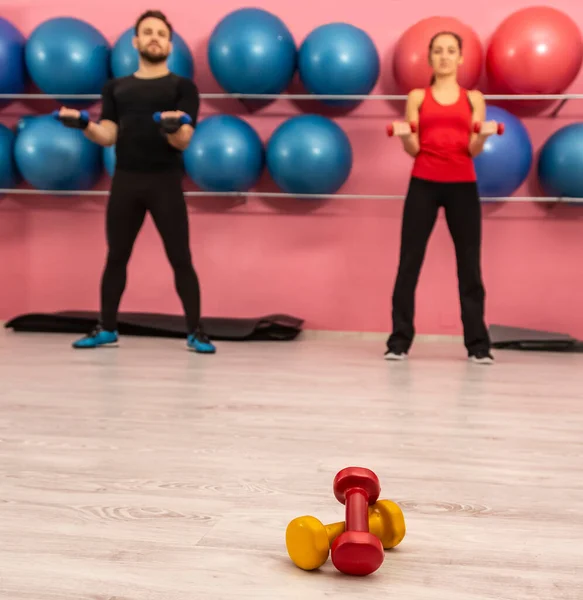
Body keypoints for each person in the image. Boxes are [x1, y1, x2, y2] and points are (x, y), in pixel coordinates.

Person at [56, 10, 215, 354]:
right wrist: (84, 124)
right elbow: (108, 134)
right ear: (136, 41)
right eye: (148, 32)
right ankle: (107, 329)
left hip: (165, 183)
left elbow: (185, 140)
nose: (155, 37)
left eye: (161, 33)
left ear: (170, 44)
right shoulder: (116, 87)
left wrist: (171, 129)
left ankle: (196, 332)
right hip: (126, 182)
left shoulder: (182, 87)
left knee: (180, 258)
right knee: (116, 257)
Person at [385, 31, 501, 365]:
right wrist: (405, 138)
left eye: (451, 51)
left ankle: (478, 346)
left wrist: (482, 137)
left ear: (461, 58)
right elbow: (415, 148)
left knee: (469, 267)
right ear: (430, 58)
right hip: (423, 181)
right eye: (438, 51)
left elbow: (472, 149)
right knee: (409, 263)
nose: (445, 57)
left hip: (462, 184)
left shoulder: (474, 98)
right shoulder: (417, 97)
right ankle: (399, 342)